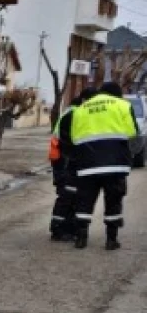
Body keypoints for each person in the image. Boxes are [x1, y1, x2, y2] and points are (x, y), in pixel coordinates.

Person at [60, 82, 140, 250]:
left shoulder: (81, 109)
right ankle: (111, 240)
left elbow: (73, 138)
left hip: (87, 166)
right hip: (115, 166)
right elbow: (133, 135)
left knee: (84, 201)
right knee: (113, 201)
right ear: (117, 94)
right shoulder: (122, 106)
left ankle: (81, 237)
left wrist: (78, 159)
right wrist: (129, 158)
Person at [49, 87, 98, 241]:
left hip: (63, 158)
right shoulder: (74, 114)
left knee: (71, 195)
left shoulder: (73, 111)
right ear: (85, 100)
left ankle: (67, 228)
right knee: (66, 195)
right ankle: (58, 229)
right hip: (63, 160)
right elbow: (68, 140)